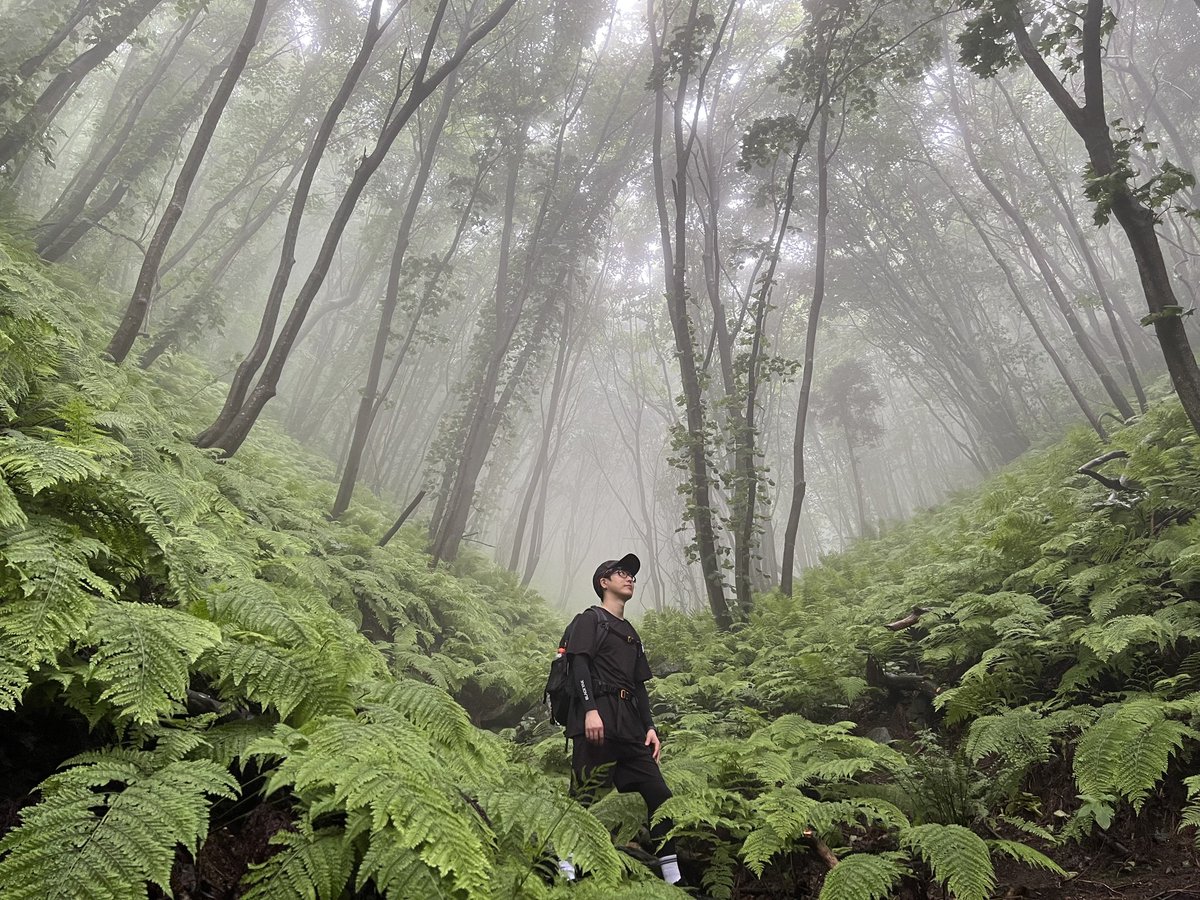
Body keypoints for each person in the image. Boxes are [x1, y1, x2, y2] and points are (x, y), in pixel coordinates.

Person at [561, 552, 681, 886]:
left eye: (632, 575)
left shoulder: (630, 632)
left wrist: (650, 727)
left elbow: (638, 686)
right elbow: (579, 665)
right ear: (604, 582)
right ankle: (564, 868)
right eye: (622, 573)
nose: (630, 578)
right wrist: (590, 710)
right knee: (582, 797)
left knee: (660, 796)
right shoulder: (590, 620)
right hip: (597, 721)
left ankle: (673, 878)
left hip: (630, 728)